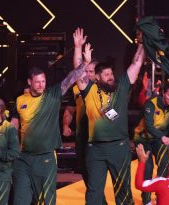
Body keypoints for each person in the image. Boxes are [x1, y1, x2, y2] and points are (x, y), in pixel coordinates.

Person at [10, 42, 90, 205]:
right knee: (20, 200)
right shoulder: (19, 100)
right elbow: (13, 127)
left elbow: (71, 78)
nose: (41, 85)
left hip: (45, 157)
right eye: (37, 82)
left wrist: (85, 61)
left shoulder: (52, 95)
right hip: (23, 158)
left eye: (43, 81)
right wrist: (13, 148)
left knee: (46, 199)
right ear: (29, 82)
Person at [76, 42, 145, 205]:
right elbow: (77, 74)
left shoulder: (121, 86)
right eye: (106, 74)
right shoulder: (89, 91)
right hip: (95, 149)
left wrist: (142, 43)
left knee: (123, 190)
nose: (111, 76)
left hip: (119, 147)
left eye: (111, 73)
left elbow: (136, 63)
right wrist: (78, 49)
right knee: (94, 192)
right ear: (97, 77)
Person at [62, 28, 101, 194]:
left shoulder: (104, 88)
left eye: (91, 71)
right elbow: (69, 110)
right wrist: (77, 47)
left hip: (99, 137)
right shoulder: (79, 88)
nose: (87, 74)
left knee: (97, 176)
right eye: (86, 71)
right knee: (84, 171)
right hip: (82, 137)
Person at [133, 83, 169, 204]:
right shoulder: (151, 103)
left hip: (159, 138)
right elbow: (149, 126)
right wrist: (163, 136)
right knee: (147, 168)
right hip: (143, 138)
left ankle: (161, 197)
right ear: (163, 93)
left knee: (165, 164)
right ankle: (147, 201)